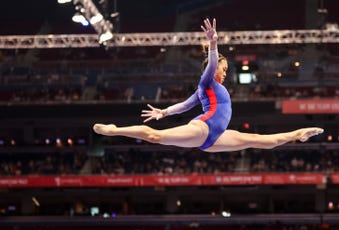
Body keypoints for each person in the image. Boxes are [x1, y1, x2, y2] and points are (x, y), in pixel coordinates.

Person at [93, 18, 324, 152]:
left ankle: (299, 133)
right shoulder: (207, 81)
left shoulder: (207, 91)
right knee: (156, 137)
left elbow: (185, 105)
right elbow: (212, 63)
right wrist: (214, 44)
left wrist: (164, 111)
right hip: (203, 128)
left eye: (225, 70)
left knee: (260, 141)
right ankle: (114, 129)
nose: (224, 73)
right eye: (223, 69)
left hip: (217, 136)